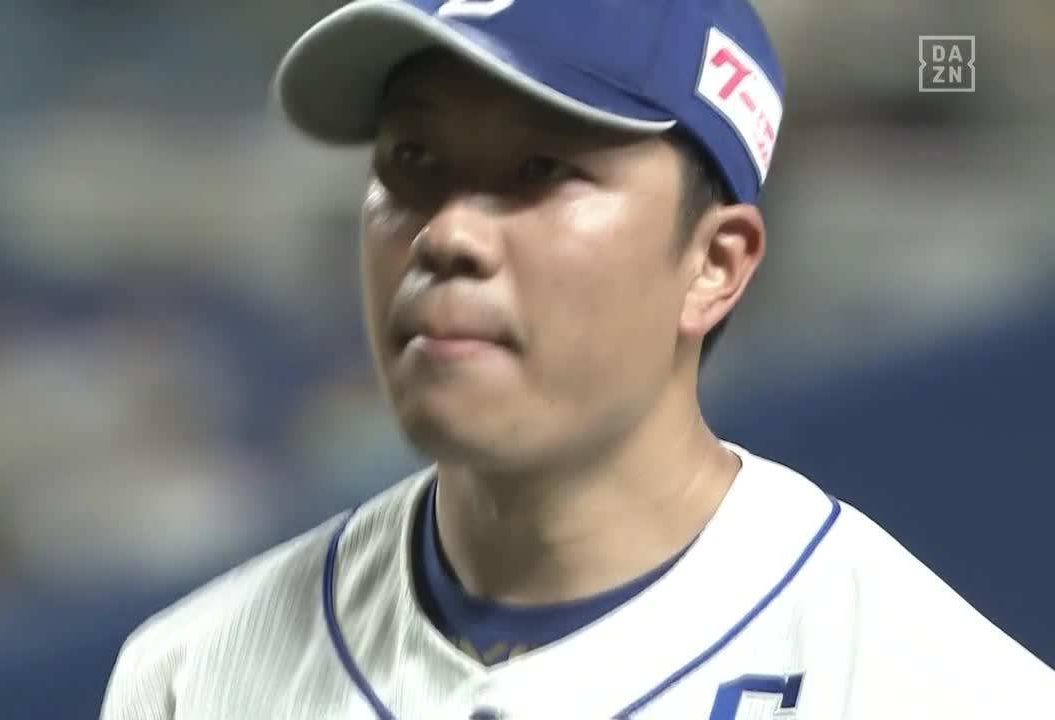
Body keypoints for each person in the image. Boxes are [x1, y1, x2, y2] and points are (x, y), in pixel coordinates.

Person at [100, 1, 1055, 718]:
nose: (446, 234)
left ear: (714, 265)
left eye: (542, 168)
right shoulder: (192, 675)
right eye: (412, 159)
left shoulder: (928, 685)